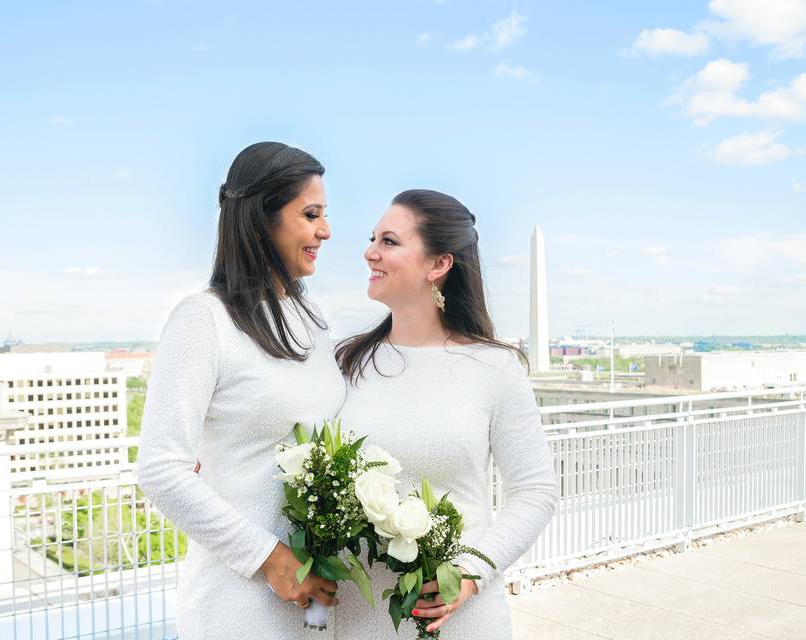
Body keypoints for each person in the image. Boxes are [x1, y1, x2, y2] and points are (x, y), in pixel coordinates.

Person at [137, 142, 347, 638]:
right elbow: (161, 469)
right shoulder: (202, 320)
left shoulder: (314, 318)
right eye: (311, 214)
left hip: (318, 599)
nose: (326, 230)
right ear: (262, 220)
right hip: (239, 603)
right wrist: (270, 559)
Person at [333, 189, 559, 638]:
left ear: (439, 265)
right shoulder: (345, 362)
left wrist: (471, 573)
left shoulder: (494, 367)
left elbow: (535, 490)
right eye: (372, 238)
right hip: (359, 617)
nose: (369, 252)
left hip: (457, 620)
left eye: (389, 241)